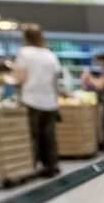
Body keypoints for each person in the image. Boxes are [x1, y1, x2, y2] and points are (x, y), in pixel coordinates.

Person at [9, 24, 63, 178]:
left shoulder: (24, 53)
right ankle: (52, 165)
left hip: (31, 99)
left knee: (33, 136)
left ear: (26, 37)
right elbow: (55, 80)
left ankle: (33, 165)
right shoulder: (49, 54)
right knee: (49, 136)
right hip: (50, 101)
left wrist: (9, 78)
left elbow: (20, 77)